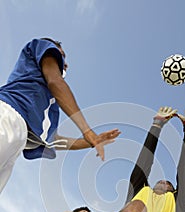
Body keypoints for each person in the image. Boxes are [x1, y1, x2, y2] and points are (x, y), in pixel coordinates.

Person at [0, 37, 120, 193]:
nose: (65, 63)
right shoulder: (42, 46)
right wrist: (87, 131)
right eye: (61, 55)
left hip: (18, 138)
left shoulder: (48, 105)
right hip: (6, 115)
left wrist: (92, 141)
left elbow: (56, 141)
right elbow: (56, 82)